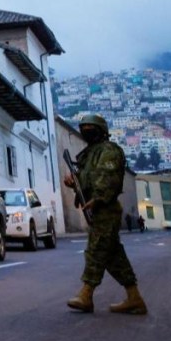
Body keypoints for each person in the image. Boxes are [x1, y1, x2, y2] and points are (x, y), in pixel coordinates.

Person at [64, 114, 147, 315]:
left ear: (101, 130)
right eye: (83, 128)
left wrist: (99, 197)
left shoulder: (109, 151)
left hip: (105, 209)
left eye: (90, 128)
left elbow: (108, 177)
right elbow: (88, 183)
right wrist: (74, 183)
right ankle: (134, 298)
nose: (86, 131)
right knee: (112, 256)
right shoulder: (89, 155)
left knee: (97, 250)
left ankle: (86, 294)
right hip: (95, 208)